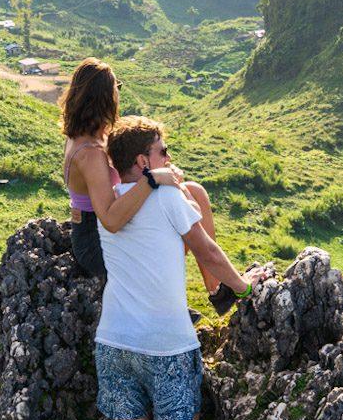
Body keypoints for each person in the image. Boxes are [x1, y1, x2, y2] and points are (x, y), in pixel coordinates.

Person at [96, 116, 264, 420]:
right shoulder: (168, 197)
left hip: (113, 342)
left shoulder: (110, 205)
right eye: (162, 151)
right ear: (141, 161)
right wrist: (247, 289)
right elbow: (208, 253)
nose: (170, 159)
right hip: (166, 347)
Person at [60, 58, 237, 314]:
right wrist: (152, 180)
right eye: (116, 88)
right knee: (178, 219)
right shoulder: (89, 153)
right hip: (96, 241)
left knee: (193, 191)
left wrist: (163, 173)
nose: (118, 94)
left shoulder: (93, 135)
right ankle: (164, 302)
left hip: (102, 227)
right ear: (104, 98)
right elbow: (110, 219)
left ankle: (216, 289)